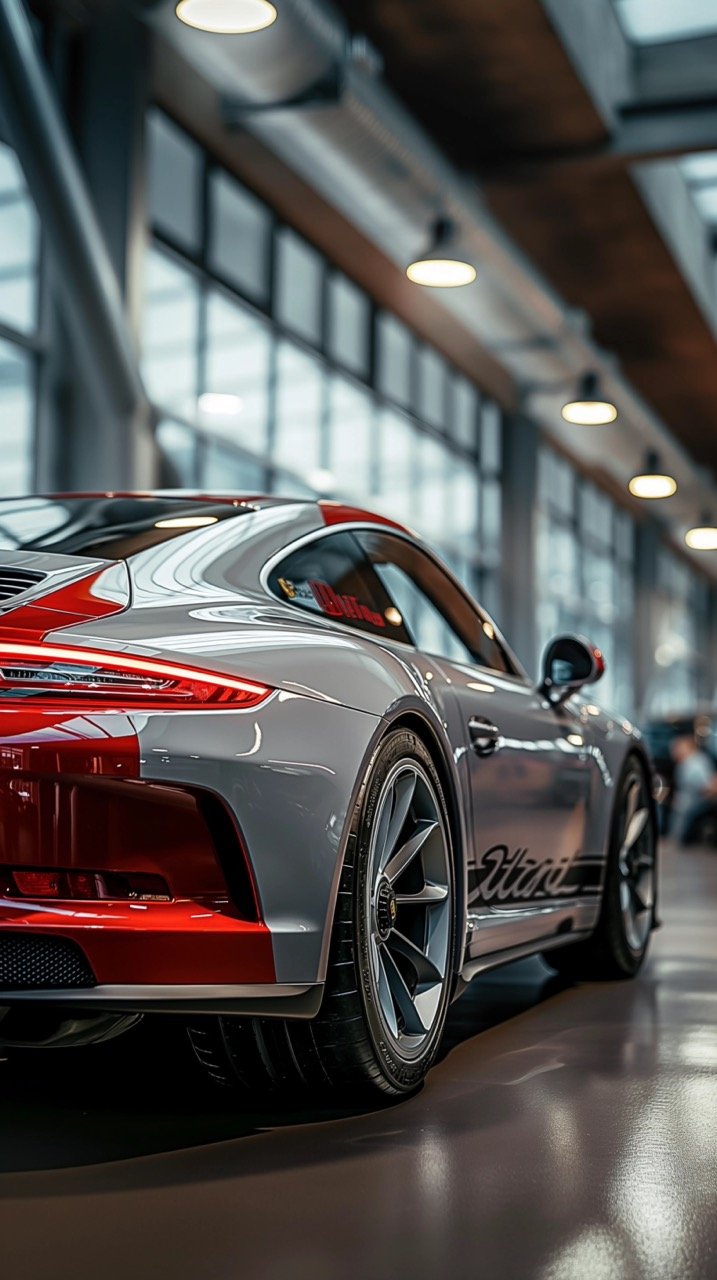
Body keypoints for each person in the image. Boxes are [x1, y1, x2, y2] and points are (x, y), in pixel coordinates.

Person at [670, 734, 717, 846]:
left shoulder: (696, 764)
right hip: (684, 808)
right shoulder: (685, 764)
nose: (673, 751)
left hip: (693, 808)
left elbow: (707, 788)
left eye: (677, 747)